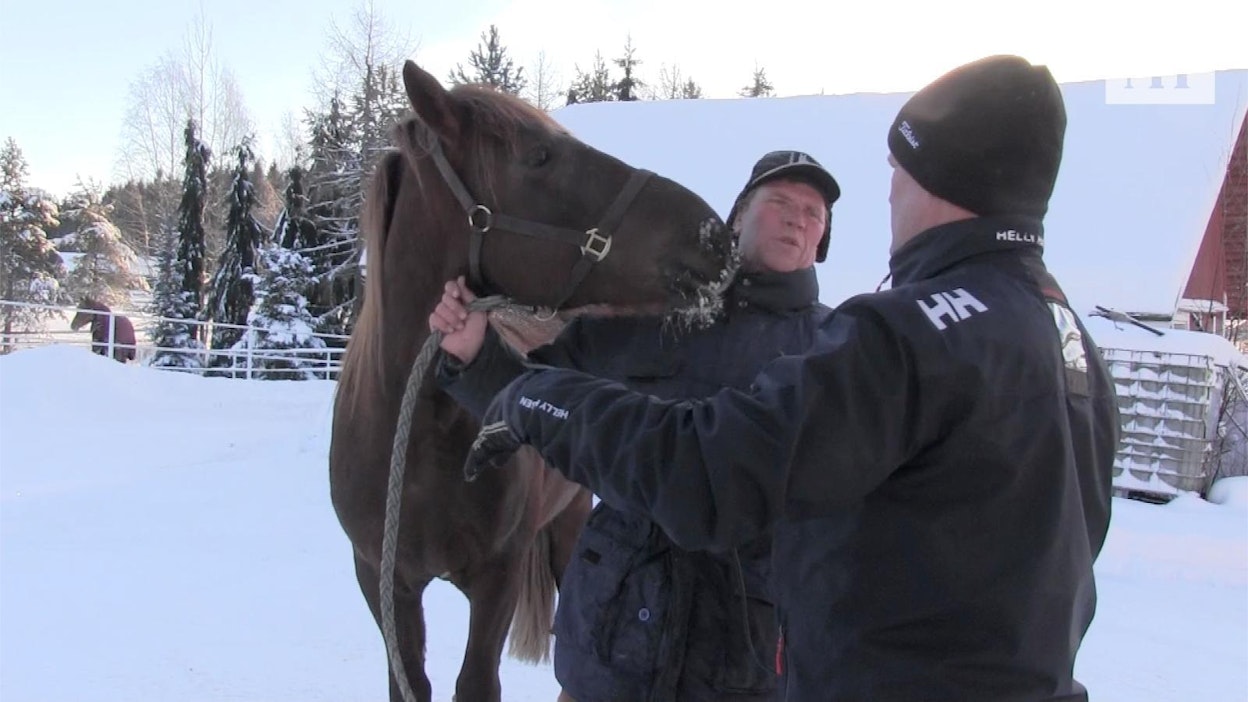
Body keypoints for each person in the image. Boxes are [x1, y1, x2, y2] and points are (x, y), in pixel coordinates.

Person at [465, 54, 1121, 701]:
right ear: (740, 214)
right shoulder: (1067, 340)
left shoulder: (900, 336)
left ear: (940, 177)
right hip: (616, 654)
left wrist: (531, 399)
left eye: (899, 168)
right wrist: (489, 367)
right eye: (780, 202)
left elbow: (708, 472)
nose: (891, 190)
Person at [429, 150, 840, 701]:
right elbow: (540, 394)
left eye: (814, 214)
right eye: (781, 202)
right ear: (737, 216)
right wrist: (474, 353)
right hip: (608, 643)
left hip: (744, 659)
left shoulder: (837, 349)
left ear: (820, 244)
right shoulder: (652, 316)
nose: (798, 218)